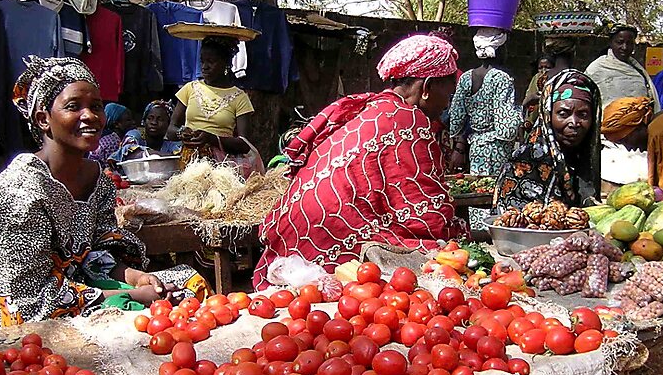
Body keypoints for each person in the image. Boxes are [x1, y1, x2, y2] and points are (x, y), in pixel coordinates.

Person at [0, 56, 207, 327]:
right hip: (12, 307)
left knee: (188, 285)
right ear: (43, 119)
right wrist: (132, 294)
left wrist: (134, 277)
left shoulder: (98, 180)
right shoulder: (21, 191)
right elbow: (29, 297)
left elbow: (97, 252)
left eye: (96, 107)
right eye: (74, 107)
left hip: (74, 283)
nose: (90, 116)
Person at [254, 35, 465, 288]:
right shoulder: (409, 121)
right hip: (328, 236)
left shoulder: (371, 109)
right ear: (428, 87)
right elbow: (425, 212)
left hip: (292, 232)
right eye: (448, 94)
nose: (446, 106)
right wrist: (458, 232)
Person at [496, 69, 603, 208]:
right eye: (563, 114)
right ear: (548, 115)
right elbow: (509, 222)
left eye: (583, 115)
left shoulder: (585, 162)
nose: (574, 123)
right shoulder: (526, 162)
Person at [172, 36, 262, 176]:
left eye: (211, 62)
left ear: (226, 63)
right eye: (202, 61)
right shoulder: (190, 88)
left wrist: (212, 138)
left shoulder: (239, 97)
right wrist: (182, 133)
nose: (204, 67)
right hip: (188, 163)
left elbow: (244, 144)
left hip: (221, 168)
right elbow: (170, 130)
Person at [448, 27, 522, 179]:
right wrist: (520, 110)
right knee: (494, 192)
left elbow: (456, 118)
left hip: (475, 149)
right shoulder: (502, 78)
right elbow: (506, 128)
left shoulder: (466, 77)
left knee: (478, 187)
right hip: (497, 150)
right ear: (499, 49)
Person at [584, 25, 658, 107]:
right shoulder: (596, 69)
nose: (625, 47)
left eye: (629, 43)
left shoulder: (639, 71)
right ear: (611, 43)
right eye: (620, 42)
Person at [115, 100, 181, 160]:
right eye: (150, 118)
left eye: (160, 119)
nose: (154, 122)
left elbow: (180, 157)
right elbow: (129, 151)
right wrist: (166, 156)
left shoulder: (170, 146)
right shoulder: (134, 135)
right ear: (144, 121)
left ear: (168, 124)